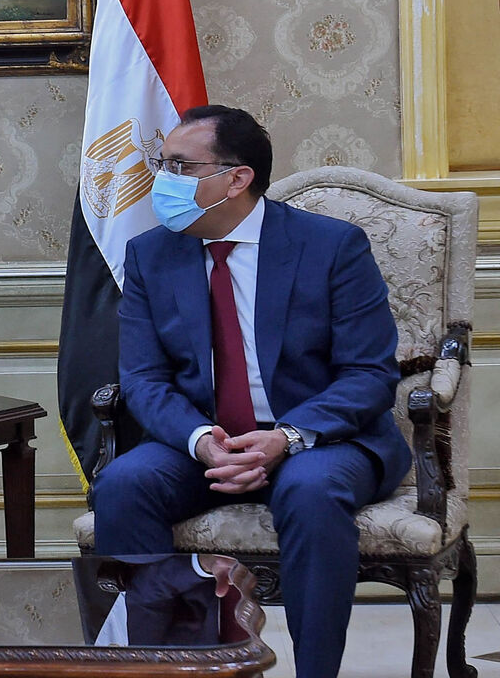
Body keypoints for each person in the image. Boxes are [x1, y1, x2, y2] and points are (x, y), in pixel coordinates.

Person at [91, 105, 410, 678]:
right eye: (163, 164)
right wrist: (200, 440)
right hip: (204, 440)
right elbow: (143, 379)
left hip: (319, 439)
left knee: (312, 492)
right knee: (123, 484)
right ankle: (169, 667)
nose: (162, 179)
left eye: (180, 166)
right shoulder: (150, 254)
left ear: (236, 178)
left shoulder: (331, 246)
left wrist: (285, 438)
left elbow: (368, 374)